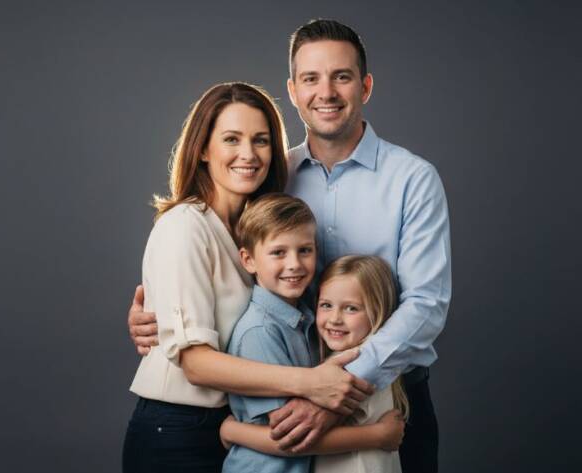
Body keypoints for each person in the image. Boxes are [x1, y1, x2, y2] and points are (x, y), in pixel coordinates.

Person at [128, 20, 452, 472]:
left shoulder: (412, 180)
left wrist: (338, 387)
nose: (327, 92)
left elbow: (426, 305)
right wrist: (159, 314)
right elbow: (235, 269)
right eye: (310, 79)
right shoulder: (271, 179)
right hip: (283, 403)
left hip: (388, 392)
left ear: (366, 85)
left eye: (341, 76)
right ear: (294, 91)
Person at [122, 82, 374, 473]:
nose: (248, 154)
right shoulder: (185, 227)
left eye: (261, 141)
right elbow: (196, 365)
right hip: (177, 432)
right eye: (231, 139)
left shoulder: (263, 233)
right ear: (203, 149)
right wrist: (310, 383)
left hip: (236, 427)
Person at [222, 195, 405, 473]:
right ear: (248, 260)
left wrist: (231, 430)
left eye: (305, 250)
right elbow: (291, 433)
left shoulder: (310, 319)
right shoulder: (260, 331)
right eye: (278, 253)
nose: (294, 263)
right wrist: (378, 437)